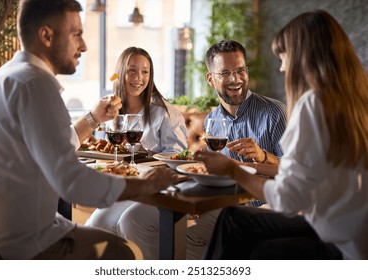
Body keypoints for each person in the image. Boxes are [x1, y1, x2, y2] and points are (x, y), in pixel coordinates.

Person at [0, 0, 179, 260]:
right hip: (25, 242)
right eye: (77, 34)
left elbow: (57, 146)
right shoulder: (35, 84)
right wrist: (141, 186)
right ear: (47, 35)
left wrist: (94, 118)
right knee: (123, 253)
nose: (83, 45)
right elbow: (72, 182)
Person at [195, 10, 368, 260]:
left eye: (284, 57)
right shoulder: (355, 100)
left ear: (303, 56)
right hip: (354, 234)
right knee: (233, 220)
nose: (282, 67)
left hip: (336, 241)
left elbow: (288, 198)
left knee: (237, 230)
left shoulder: (312, 105)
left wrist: (234, 170)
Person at [114, 40, 288, 259]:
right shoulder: (212, 120)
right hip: (215, 200)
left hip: (256, 204)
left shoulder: (275, 113)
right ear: (210, 79)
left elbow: (295, 174)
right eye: (225, 73)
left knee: (181, 245)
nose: (235, 79)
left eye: (240, 71)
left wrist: (262, 157)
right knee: (132, 220)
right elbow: (212, 171)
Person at [84, 47, 188, 234]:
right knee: (95, 225)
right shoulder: (110, 110)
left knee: (124, 223)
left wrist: (140, 151)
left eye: (145, 72)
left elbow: (178, 160)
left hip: (156, 190)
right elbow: (107, 152)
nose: (138, 78)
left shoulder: (165, 113)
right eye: (132, 70)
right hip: (123, 187)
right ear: (120, 72)